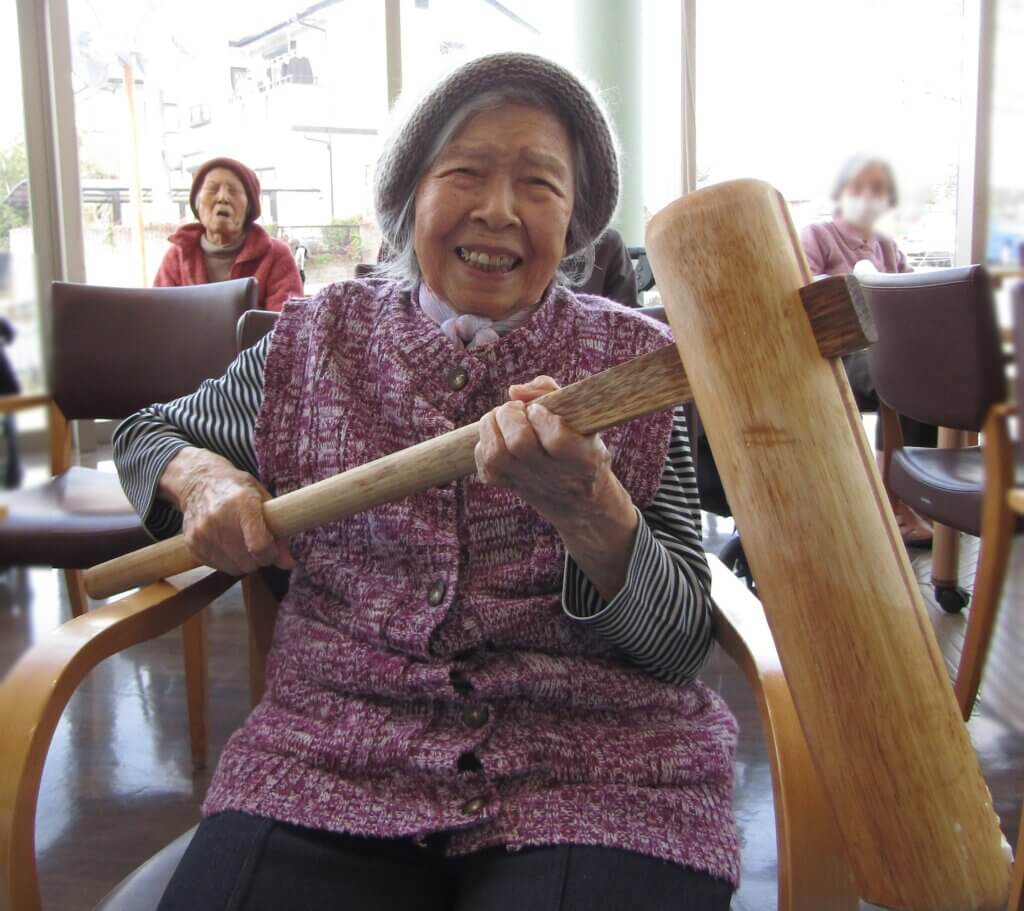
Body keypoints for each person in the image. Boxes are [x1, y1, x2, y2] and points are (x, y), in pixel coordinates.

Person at [116, 53, 737, 911]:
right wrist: (201, 479)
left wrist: (588, 509)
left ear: (577, 219)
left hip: (600, 772)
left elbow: (678, 643)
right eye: (465, 172)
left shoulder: (637, 367)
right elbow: (146, 435)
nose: (499, 210)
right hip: (330, 755)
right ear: (409, 197)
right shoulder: (317, 343)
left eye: (539, 183)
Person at [801, 155, 934, 546]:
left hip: (886, 352)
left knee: (931, 376)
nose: (866, 196)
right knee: (904, 375)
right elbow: (799, 289)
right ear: (841, 192)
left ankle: (912, 494)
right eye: (858, 186)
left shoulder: (887, 247)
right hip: (836, 356)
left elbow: (913, 295)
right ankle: (895, 501)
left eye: (877, 189)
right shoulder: (818, 236)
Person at [154, 157, 303, 311]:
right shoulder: (177, 256)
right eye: (212, 189)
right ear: (197, 203)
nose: (223, 198)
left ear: (249, 207)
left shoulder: (276, 256)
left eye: (234, 191)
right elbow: (159, 316)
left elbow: (286, 321)